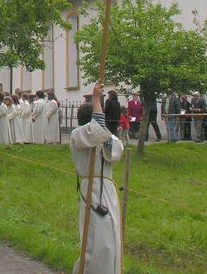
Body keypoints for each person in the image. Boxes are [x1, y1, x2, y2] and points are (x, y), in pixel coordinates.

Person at [70, 82, 124, 274]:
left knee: (112, 239)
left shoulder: (104, 137)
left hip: (107, 191)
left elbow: (115, 150)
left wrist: (104, 135)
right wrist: (95, 100)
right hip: (91, 190)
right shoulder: (78, 136)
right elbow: (96, 130)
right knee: (96, 241)